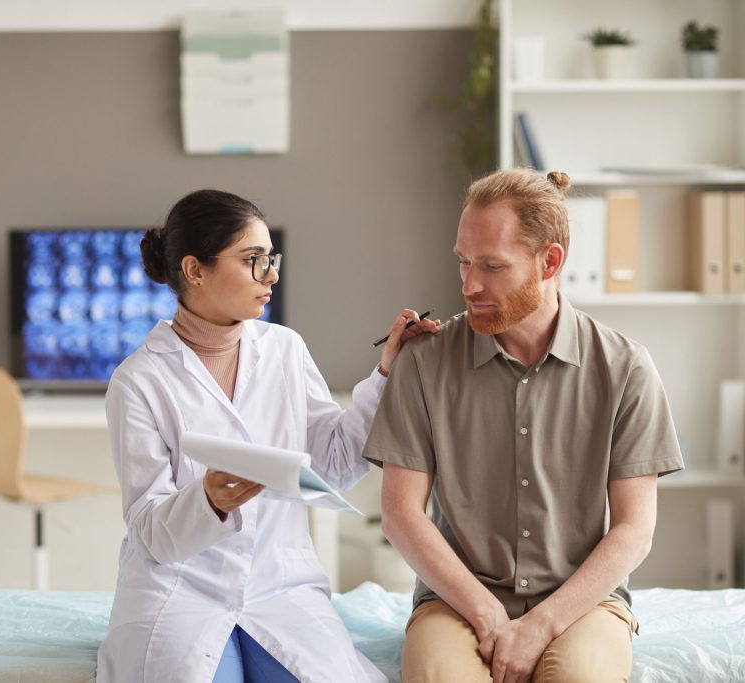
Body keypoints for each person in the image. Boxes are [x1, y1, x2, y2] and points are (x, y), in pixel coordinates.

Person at [95, 188, 438, 683]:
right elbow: (149, 529)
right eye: (253, 260)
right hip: (178, 589)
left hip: (279, 585)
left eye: (270, 259)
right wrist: (208, 501)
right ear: (195, 270)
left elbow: (336, 462)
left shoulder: (284, 349)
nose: (272, 275)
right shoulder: (138, 381)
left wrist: (387, 372)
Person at [363, 168, 684, 683]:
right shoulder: (423, 363)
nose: (469, 285)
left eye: (491, 266)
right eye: (463, 262)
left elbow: (633, 530)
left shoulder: (626, 368)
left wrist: (540, 626)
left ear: (550, 261)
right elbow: (401, 514)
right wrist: (489, 615)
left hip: (582, 602)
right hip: (454, 601)